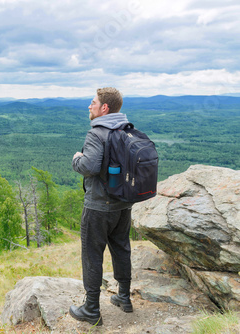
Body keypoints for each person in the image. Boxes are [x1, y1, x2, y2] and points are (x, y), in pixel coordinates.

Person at [70, 87, 134, 326]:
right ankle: (124, 297)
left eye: (93, 102)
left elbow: (90, 166)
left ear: (104, 108)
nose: (90, 105)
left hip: (98, 206)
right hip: (123, 204)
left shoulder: (97, 133)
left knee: (92, 254)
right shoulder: (126, 130)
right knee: (121, 247)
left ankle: (91, 309)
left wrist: (76, 158)